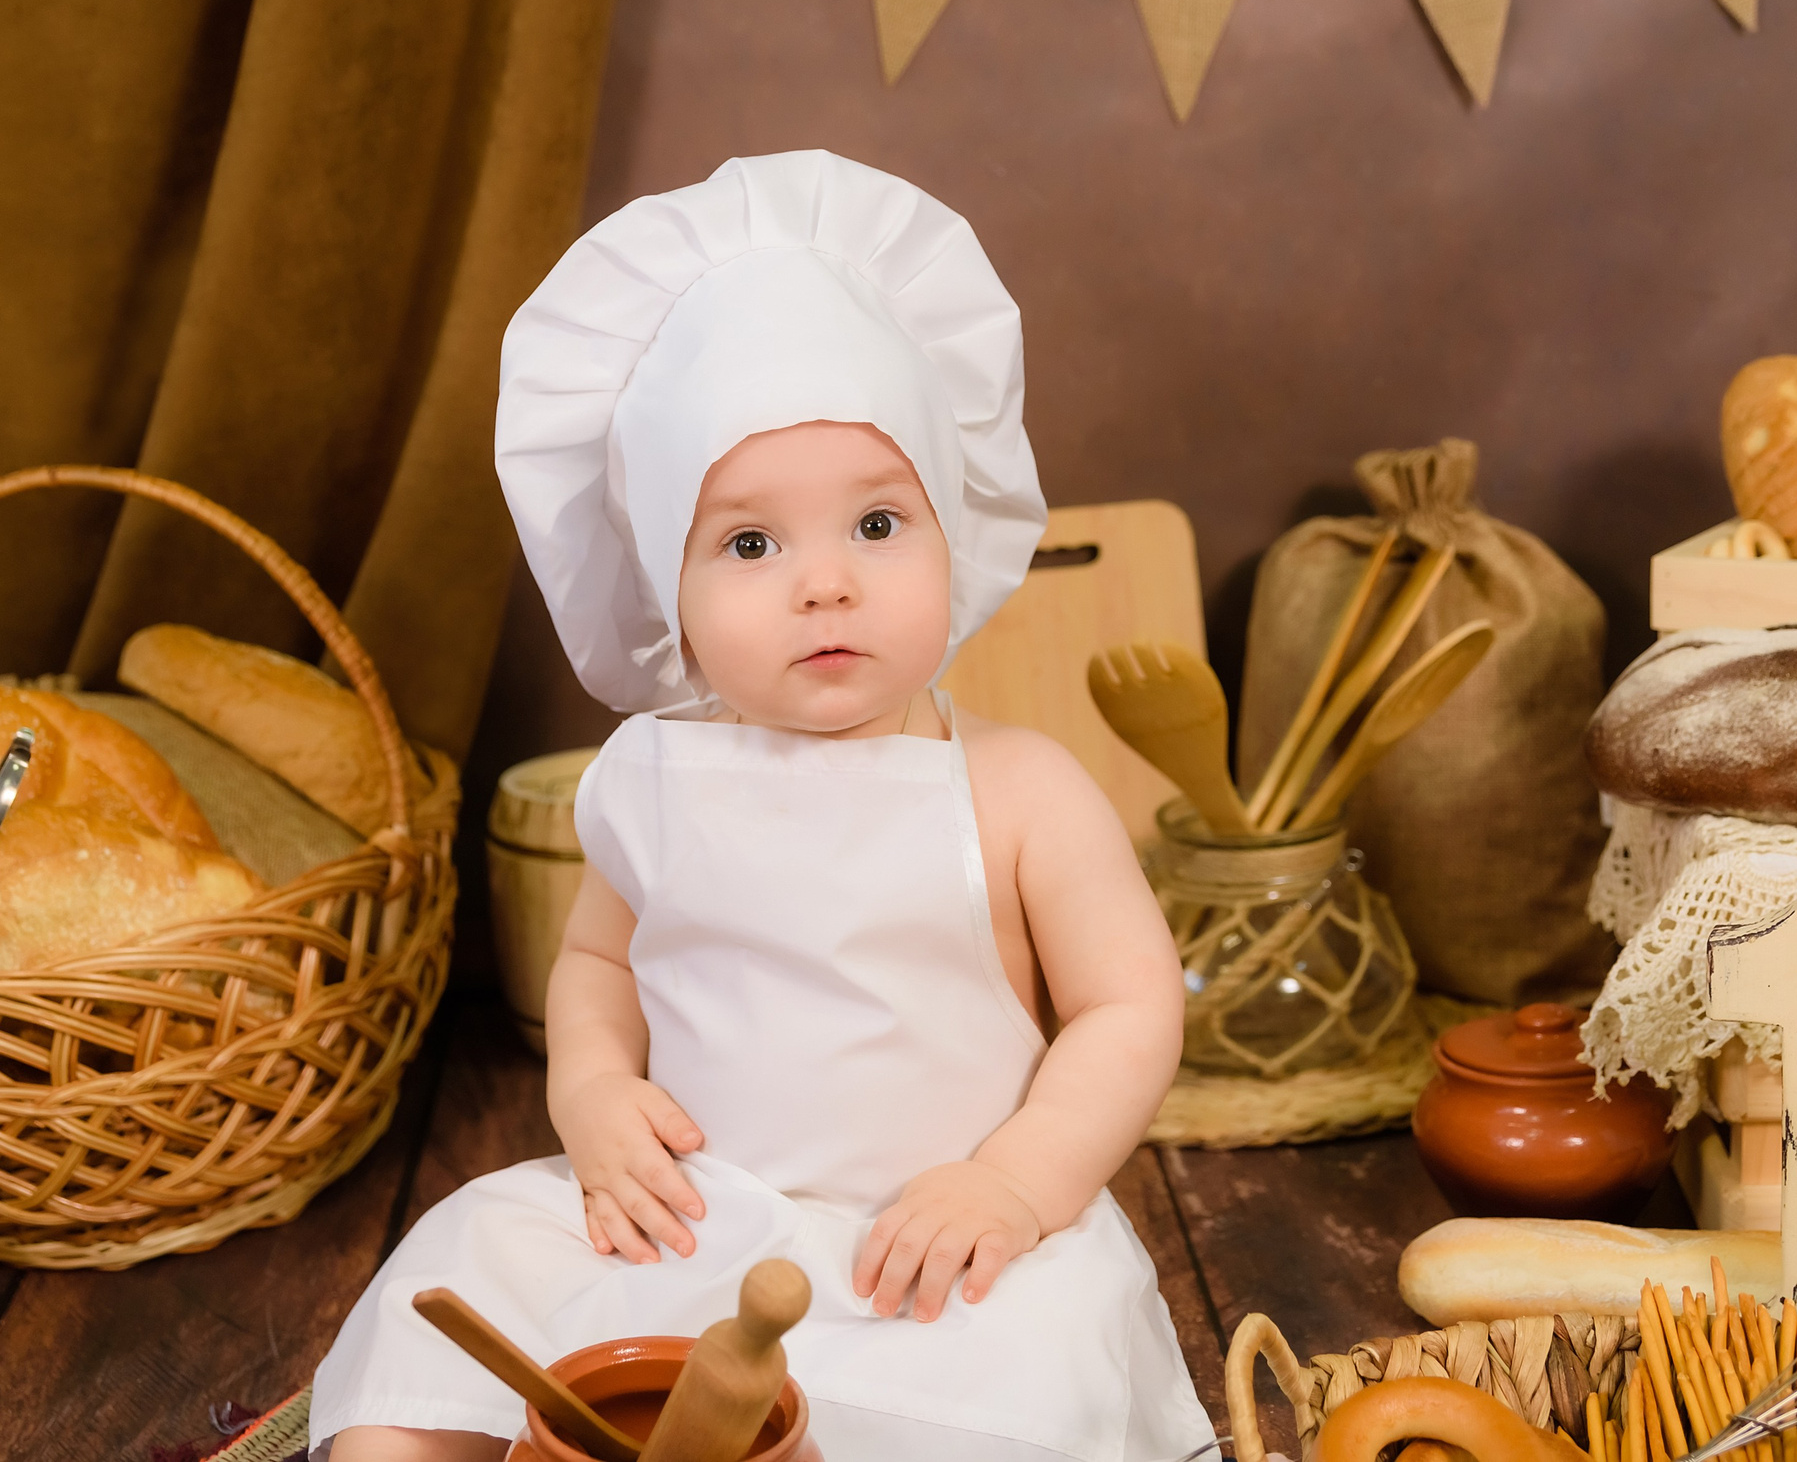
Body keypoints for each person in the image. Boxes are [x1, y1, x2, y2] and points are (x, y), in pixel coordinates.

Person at [312, 151, 1210, 1462]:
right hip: (698, 1219)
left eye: (878, 523)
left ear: (952, 533)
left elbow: (1133, 1005)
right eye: (749, 542)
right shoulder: (651, 777)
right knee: (455, 1263)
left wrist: (1018, 1181)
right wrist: (595, 1089)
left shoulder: (1018, 787)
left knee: (1039, 1364)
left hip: (938, 1241)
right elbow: (597, 960)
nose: (824, 583)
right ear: (665, 590)